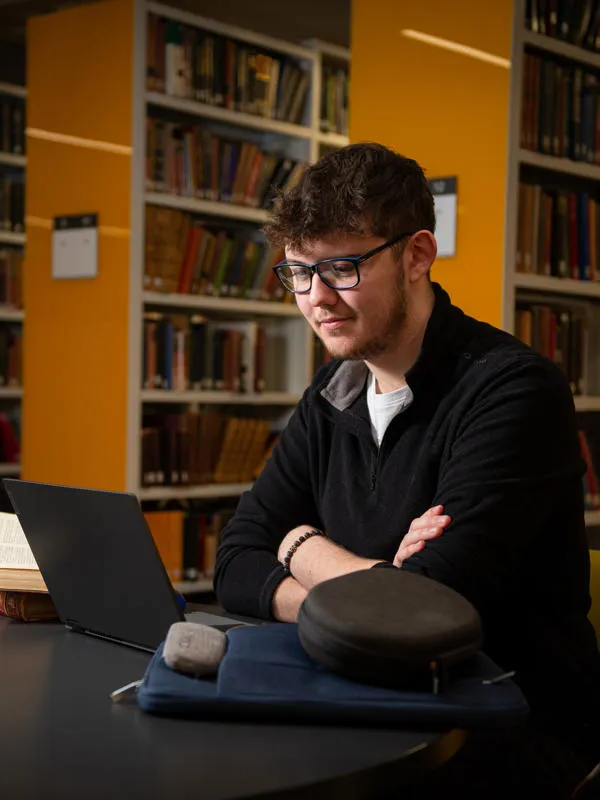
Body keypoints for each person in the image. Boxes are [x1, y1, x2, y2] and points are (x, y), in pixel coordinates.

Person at [212, 142, 600, 796]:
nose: (315, 299)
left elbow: (431, 607)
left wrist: (300, 545)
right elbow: (234, 559)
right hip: (363, 697)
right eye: (297, 272)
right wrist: (376, 596)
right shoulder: (331, 394)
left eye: (340, 267)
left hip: (508, 735)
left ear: (416, 255)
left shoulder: (513, 391)